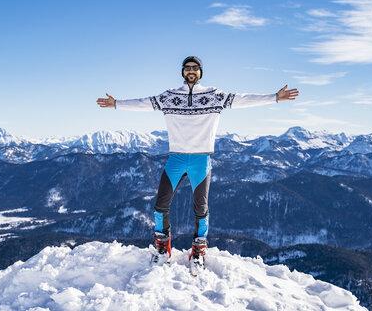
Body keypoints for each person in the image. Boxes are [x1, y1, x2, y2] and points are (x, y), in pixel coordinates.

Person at [96, 56, 299, 275]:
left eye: (195, 68)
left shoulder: (214, 95)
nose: (191, 71)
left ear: (201, 72)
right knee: (160, 205)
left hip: (201, 159)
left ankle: (198, 251)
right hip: (176, 158)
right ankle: (163, 250)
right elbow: (143, 103)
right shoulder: (169, 97)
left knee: (200, 209)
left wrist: (274, 97)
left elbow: (242, 99)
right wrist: (116, 103)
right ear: (182, 72)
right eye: (187, 68)